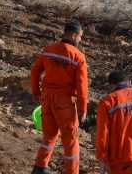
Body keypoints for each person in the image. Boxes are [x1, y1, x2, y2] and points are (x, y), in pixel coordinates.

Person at [30, 20, 88, 174]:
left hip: (47, 99)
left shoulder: (49, 49)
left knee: (49, 136)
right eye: (80, 37)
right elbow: (82, 86)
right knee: (70, 141)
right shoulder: (78, 56)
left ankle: (39, 168)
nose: (80, 40)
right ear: (74, 35)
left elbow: (35, 71)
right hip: (65, 103)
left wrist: (36, 92)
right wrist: (83, 109)